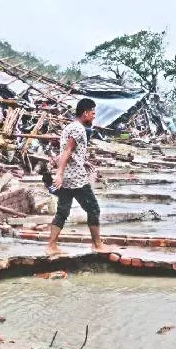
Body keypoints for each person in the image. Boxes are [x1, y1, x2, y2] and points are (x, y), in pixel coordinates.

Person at [46, 98, 109, 256]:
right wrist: (58, 174)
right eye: (93, 113)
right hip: (76, 178)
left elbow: (71, 151)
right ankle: (97, 244)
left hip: (67, 177)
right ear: (85, 113)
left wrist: (83, 161)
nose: (94, 116)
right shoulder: (79, 129)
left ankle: (51, 245)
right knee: (93, 208)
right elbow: (67, 151)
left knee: (62, 211)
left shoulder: (70, 127)